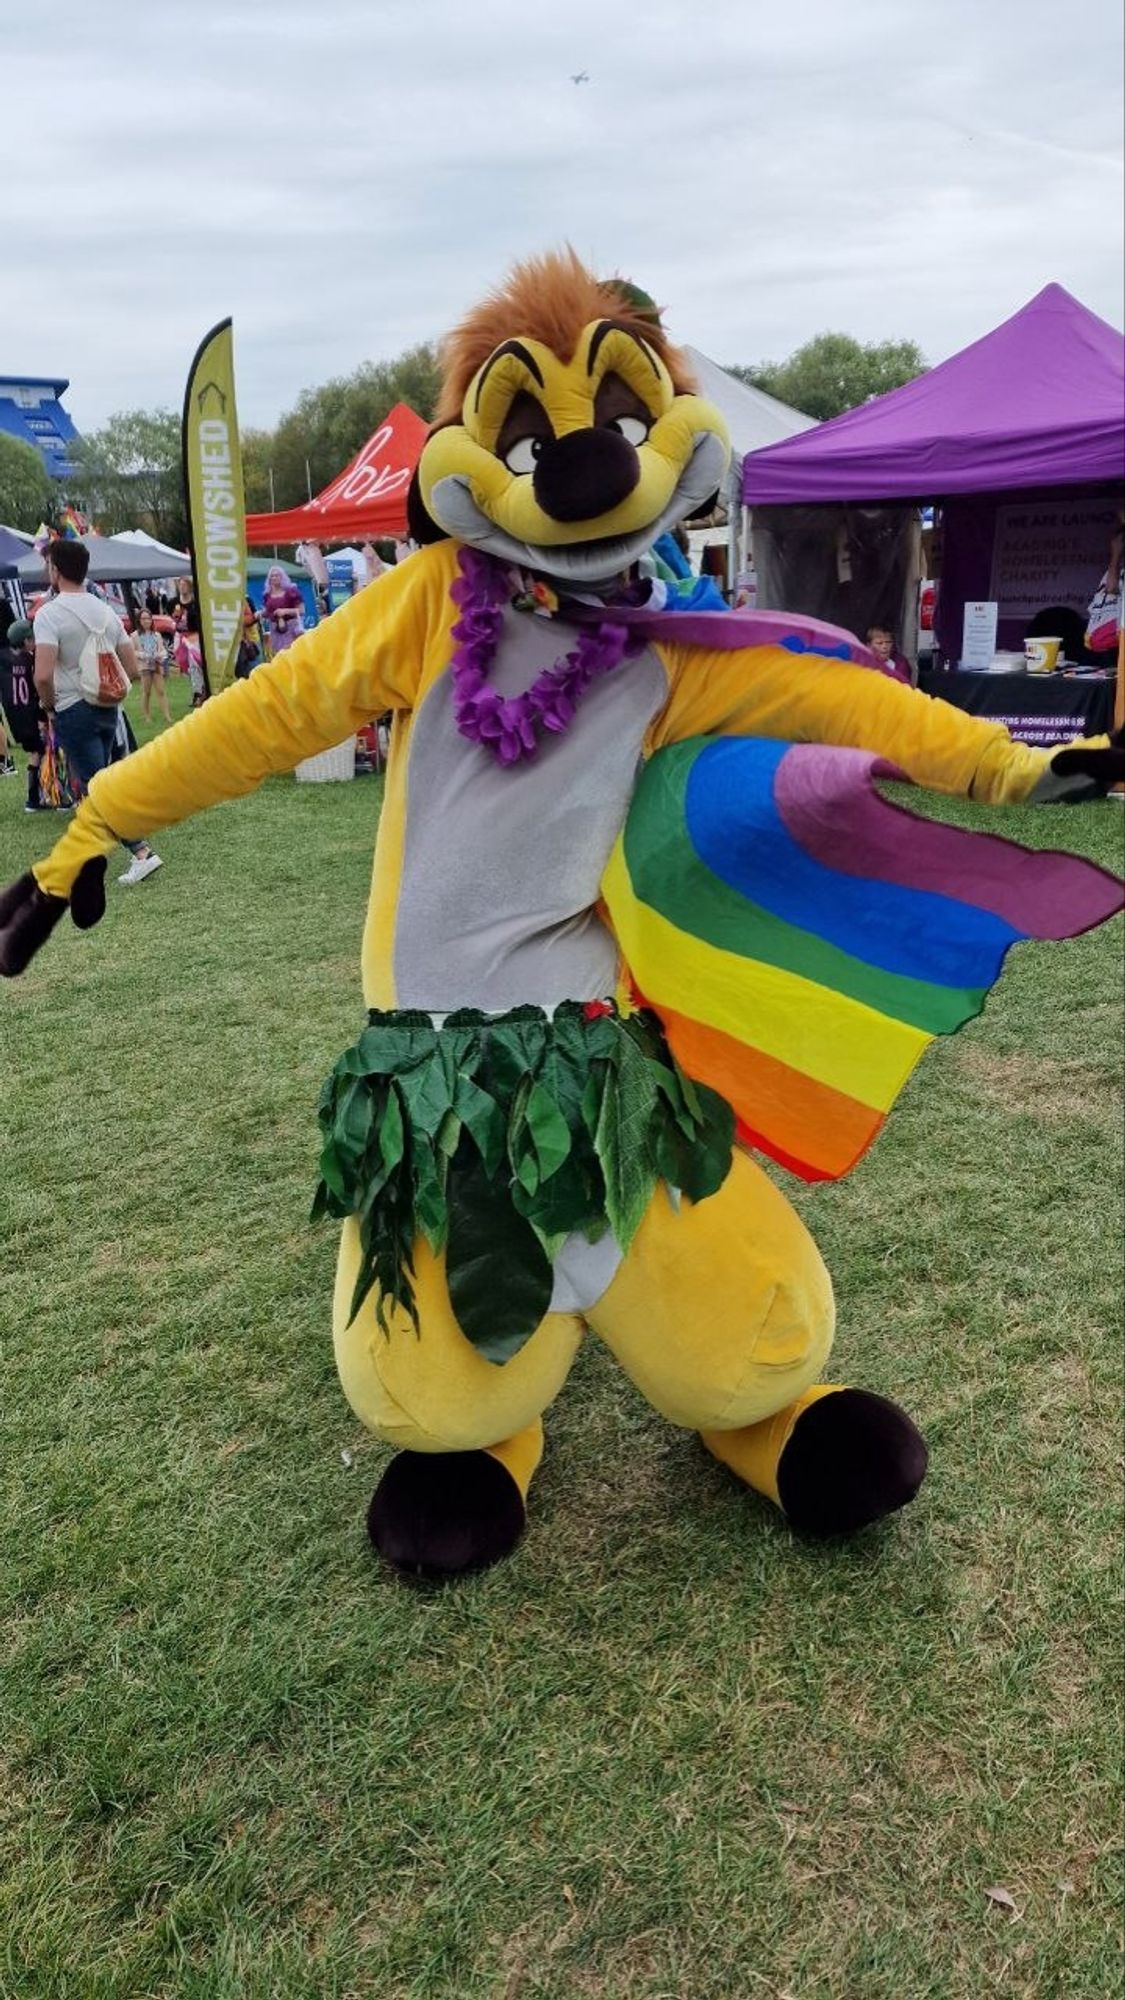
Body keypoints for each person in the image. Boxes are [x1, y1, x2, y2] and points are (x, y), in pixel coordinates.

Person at [31, 540, 162, 884]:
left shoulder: (49, 614)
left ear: (56, 570)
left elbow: (43, 674)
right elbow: (132, 668)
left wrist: (48, 705)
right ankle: (88, 855)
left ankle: (142, 852)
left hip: (74, 707)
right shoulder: (104, 610)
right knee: (98, 785)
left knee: (96, 787)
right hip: (109, 707)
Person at [0, 618, 49, 810]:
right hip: (30, 714)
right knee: (38, 753)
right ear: (25, 640)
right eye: (32, 638)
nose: (34, 641)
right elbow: (36, 686)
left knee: (34, 752)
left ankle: (37, 796)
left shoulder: (4, 658)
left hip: (14, 717)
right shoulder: (29, 659)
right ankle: (33, 799)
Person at [135, 607, 171, 724]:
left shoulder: (157, 635)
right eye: (143, 619)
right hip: (144, 666)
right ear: (139, 620)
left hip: (156, 665)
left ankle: (167, 716)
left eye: (148, 618)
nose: (146, 621)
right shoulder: (135, 636)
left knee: (161, 690)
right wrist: (144, 655)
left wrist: (159, 655)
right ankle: (146, 716)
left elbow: (163, 650)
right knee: (147, 692)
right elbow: (133, 652)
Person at [262, 565, 305, 654]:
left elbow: (301, 611)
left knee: (291, 654)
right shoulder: (267, 594)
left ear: (283, 577)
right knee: (278, 656)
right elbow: (268, 612)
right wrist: (260, 613)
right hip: (275, 630)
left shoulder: (291, 591)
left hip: (291, 629)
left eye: (277, 575)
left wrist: (285, 611)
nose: (274, 578)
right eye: (272, 576)